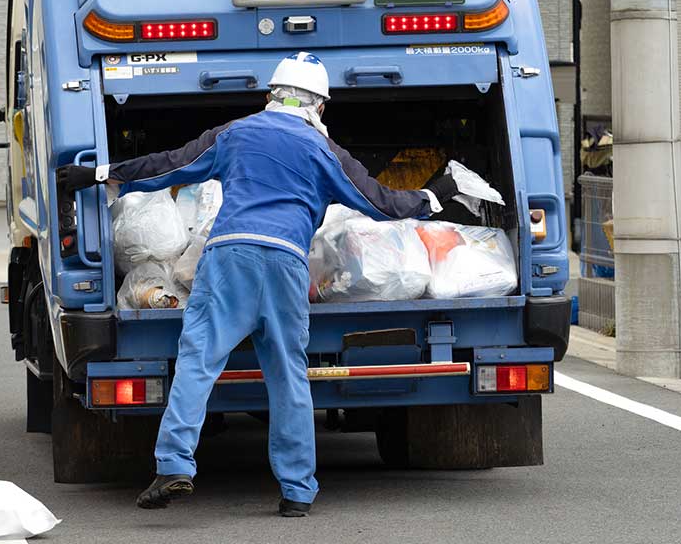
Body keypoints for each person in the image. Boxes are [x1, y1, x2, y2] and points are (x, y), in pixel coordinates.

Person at [57, 51, 458, 517]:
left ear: (270, 95)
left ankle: (174, 464)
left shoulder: (236, 132)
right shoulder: (324, 149)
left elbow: (171, 166)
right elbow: (381, 203)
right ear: (321, 106)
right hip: (288, 263)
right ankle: (297, 492)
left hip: (231, 256)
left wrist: (101, 175)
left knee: (199, 358)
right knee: (288, 375)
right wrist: (433, 197)